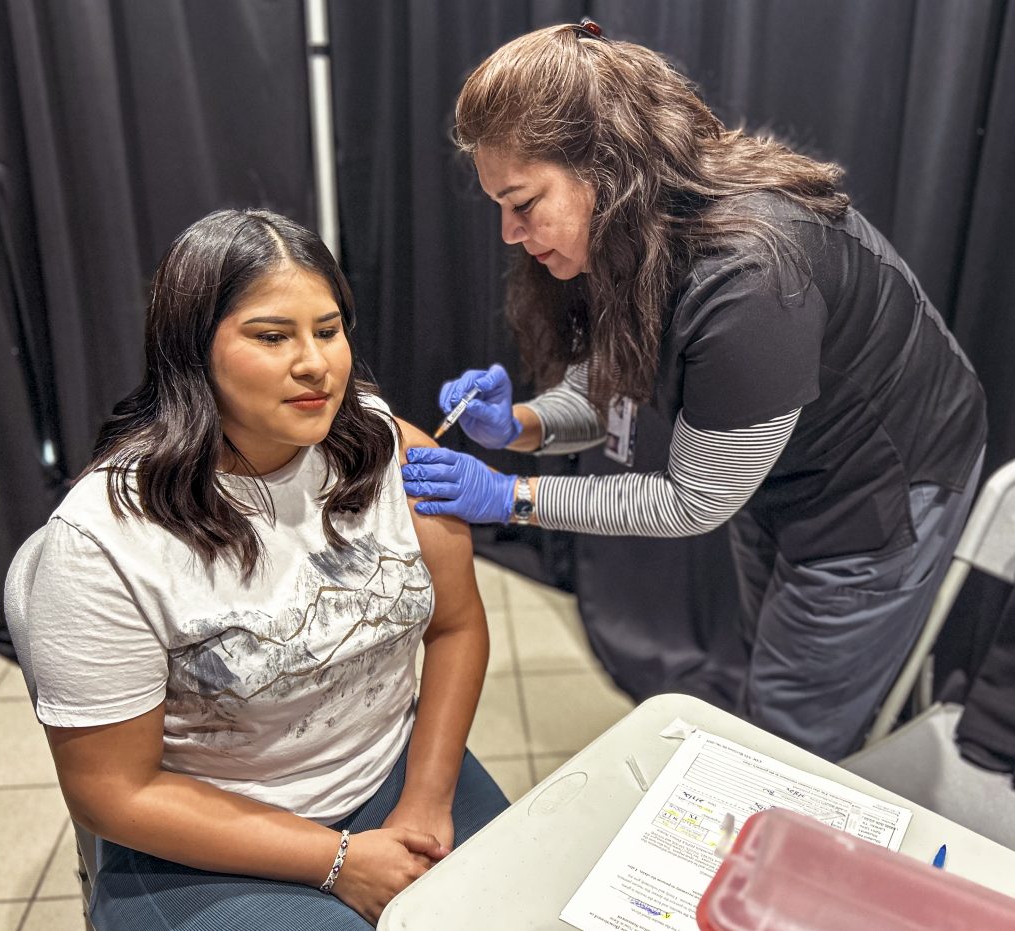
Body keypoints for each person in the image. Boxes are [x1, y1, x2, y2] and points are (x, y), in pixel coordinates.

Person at [401, 20, 987, 760]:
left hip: (878, 490)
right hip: (780, 468)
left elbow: (695, 499)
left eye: (522, 201)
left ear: (603, 167)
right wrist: (519, 424)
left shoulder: (751, 279)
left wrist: (510, 497)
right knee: (763, 657)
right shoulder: (639, 227)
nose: (511, 233)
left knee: (792, 727)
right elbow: (626, 381)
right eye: (498, 207)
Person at [26, 208, 508, 930]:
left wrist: (426, 798)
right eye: (272, 336)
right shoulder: (103, 540)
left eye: (328, 329)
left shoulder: (386, 446)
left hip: (394, 774)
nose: (315, 362)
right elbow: (112, 792)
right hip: (205, 842)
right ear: (193, 351)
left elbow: (458, 626)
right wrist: (339, 858)